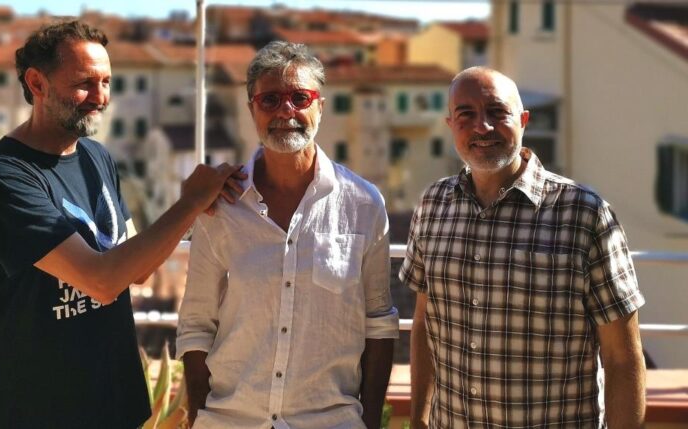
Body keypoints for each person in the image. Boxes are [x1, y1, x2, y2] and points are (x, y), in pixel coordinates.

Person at [0, 21, 243, 429]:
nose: (100, 98)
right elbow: (102, 280)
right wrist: (189, 202)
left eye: (106, 82)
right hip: (30, 412)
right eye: (84, 84)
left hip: (111, 404)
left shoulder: (97, 158)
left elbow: (137, 269)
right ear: (37, 83)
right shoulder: (3, 175)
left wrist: (199, 207)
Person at [401, 67, 646, 428]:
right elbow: (425, 324)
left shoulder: (584, 214)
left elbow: (622, 358)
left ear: (524, 120)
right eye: (466, 114)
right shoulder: (433, 205)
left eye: (497, 112)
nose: (483, 127)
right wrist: (419, 420)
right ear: (450, 124)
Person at [175, 41, 399, 429]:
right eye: (271, 99)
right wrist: (199, 418)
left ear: (320, 107)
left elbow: (379, 323)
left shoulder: (364, 203)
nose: (285, 111)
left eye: (299, 98)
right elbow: (196, 324)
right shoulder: (221, 206)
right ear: (252, 110)